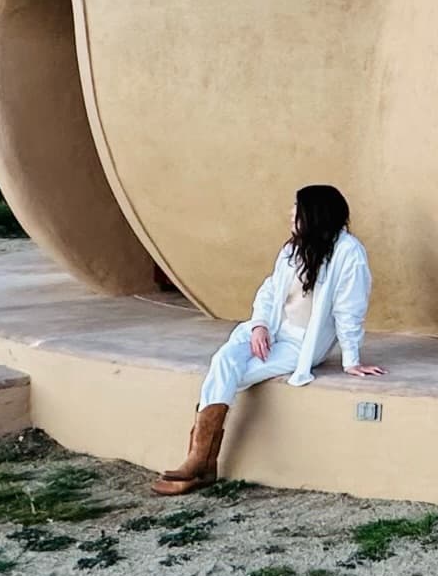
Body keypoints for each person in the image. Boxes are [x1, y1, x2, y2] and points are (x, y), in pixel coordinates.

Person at [152, 184, 384, 495]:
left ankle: (200, 462)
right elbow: (270, 290)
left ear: (315, 214)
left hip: (301, 344)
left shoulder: (348, 253)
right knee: (224, 361)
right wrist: (260, 324)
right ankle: (200, 462)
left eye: (297, 208)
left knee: (229, 374)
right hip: (271, 330)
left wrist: (351, 360)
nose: (291, 213)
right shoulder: (292, 248)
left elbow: (349, 309)